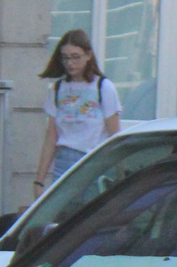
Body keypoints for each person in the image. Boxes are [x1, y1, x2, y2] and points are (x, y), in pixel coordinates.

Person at [33, 29, 122, 192]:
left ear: (88, 55)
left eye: (75, 57)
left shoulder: (103, 87)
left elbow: (115, 136)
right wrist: (39, 181)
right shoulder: (58, 89)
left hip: (94, 163)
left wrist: (118, 174)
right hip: (63, 164)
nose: (70, 63)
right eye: (65, 58)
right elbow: (51, 136)